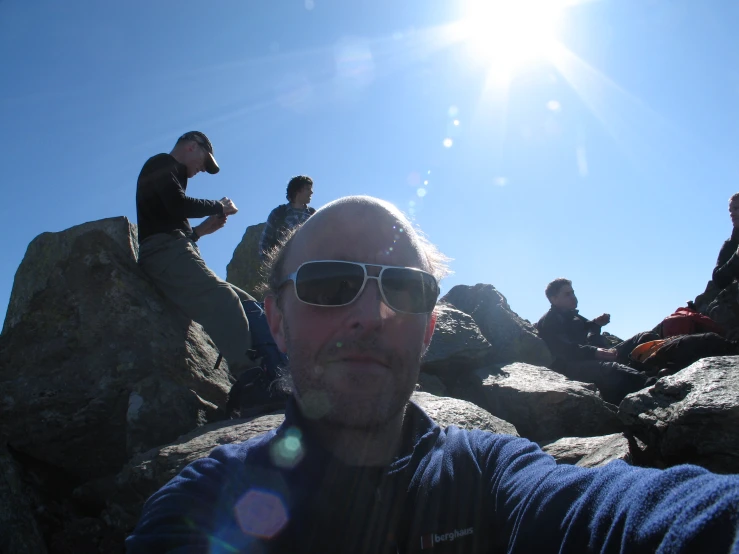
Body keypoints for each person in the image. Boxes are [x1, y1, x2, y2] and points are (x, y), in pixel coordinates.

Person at [127, 196, 739, 553]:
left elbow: (643, 517)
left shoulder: (493, 473)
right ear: (277, 321)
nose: (370, 313)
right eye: (328, 285)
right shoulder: (207, 499)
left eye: (405, 288)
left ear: (428, 328)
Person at [136, 131, 254, 373]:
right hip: (162, 254)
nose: (203, 168)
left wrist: (200, 231)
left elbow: (169, 217)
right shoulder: (161, 163)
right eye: (205, 160)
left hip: (175, 251)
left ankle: (271, 367)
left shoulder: (171, 175)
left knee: (249, 303)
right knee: (225, 299)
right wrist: (218, 206)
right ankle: (251, 378)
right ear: (192, 146)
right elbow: (177, 205)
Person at [536, 278, 658, 404]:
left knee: (644, 337)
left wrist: (596, 324)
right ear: (554, 299)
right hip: (570, 366)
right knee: (613, 368)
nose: (573, 297)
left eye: (573, 292)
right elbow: (564, 349)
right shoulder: (550, 321)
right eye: (567, 294)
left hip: (591, 356)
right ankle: (656, 387)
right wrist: (595, 352)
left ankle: (653, 367)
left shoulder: (573, 316)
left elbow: (587, 328)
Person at [258, 175, 316, 262]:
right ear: (297, 190)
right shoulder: (279, 213)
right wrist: (272, 265)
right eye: (308, 189)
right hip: (285, 266)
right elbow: (264, 243)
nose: (311, 192)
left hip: (308, 265)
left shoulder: (313, 214)